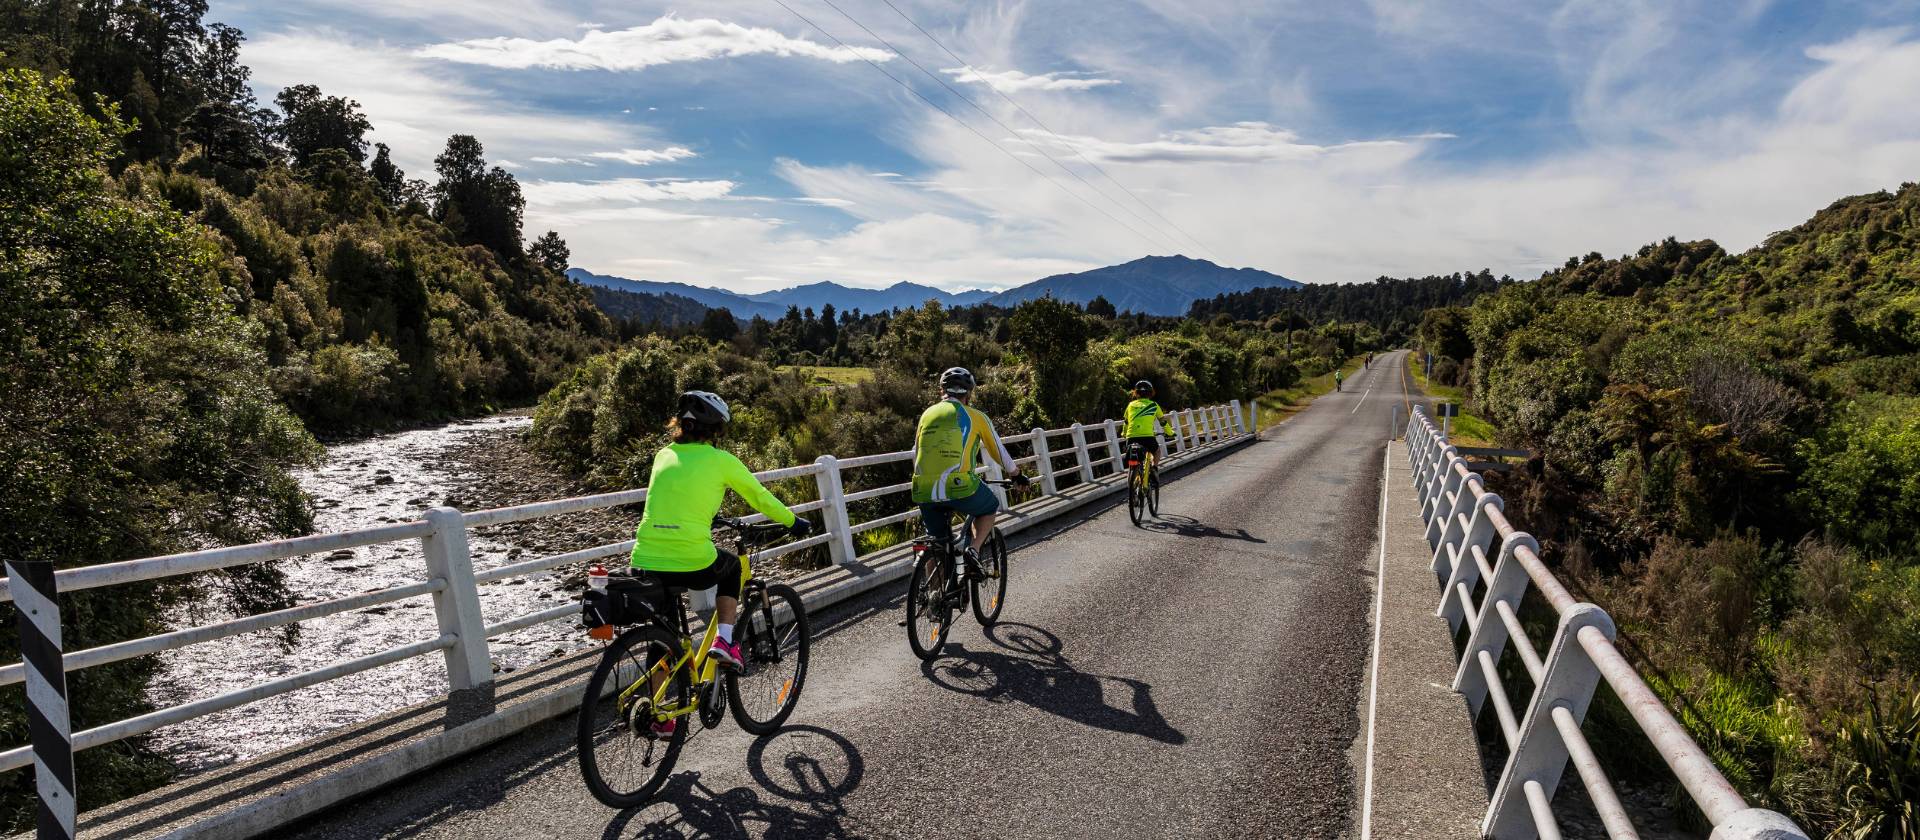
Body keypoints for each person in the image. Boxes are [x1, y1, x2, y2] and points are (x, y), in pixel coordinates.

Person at [628, 391, 813, 695]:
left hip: (645, 559)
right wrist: (793, 521)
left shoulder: (663, 455)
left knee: (664, 638)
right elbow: (760, 497)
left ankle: (657, 712)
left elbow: (671, 497)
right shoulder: (721, 460)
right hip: (692, 561)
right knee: (731, 571)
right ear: (714, 430)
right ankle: (725, 641)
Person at [911, 368, 1026, 567]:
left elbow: (917, 451)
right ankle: (973, 549)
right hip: (959, 485)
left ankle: (933, 594)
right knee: (990, 506)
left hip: (923, 488)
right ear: (969, 393)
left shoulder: (926, 414)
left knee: (936, 542)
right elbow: (998, 451)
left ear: (942, 391)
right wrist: (1016, 475)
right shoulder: (976, 416)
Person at [1122, 380, 1169, 486]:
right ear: (1151, 393)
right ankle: (1154, 469)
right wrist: (1170, 433)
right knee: (1156, 451)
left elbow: (1126, 422)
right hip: (1148, 437)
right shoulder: (1154, 405)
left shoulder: (1130, 405)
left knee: (1132, 457)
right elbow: (1163, 422)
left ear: (1136, 393)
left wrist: (1123, 434)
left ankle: (1133, 475)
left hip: (1131, 437)